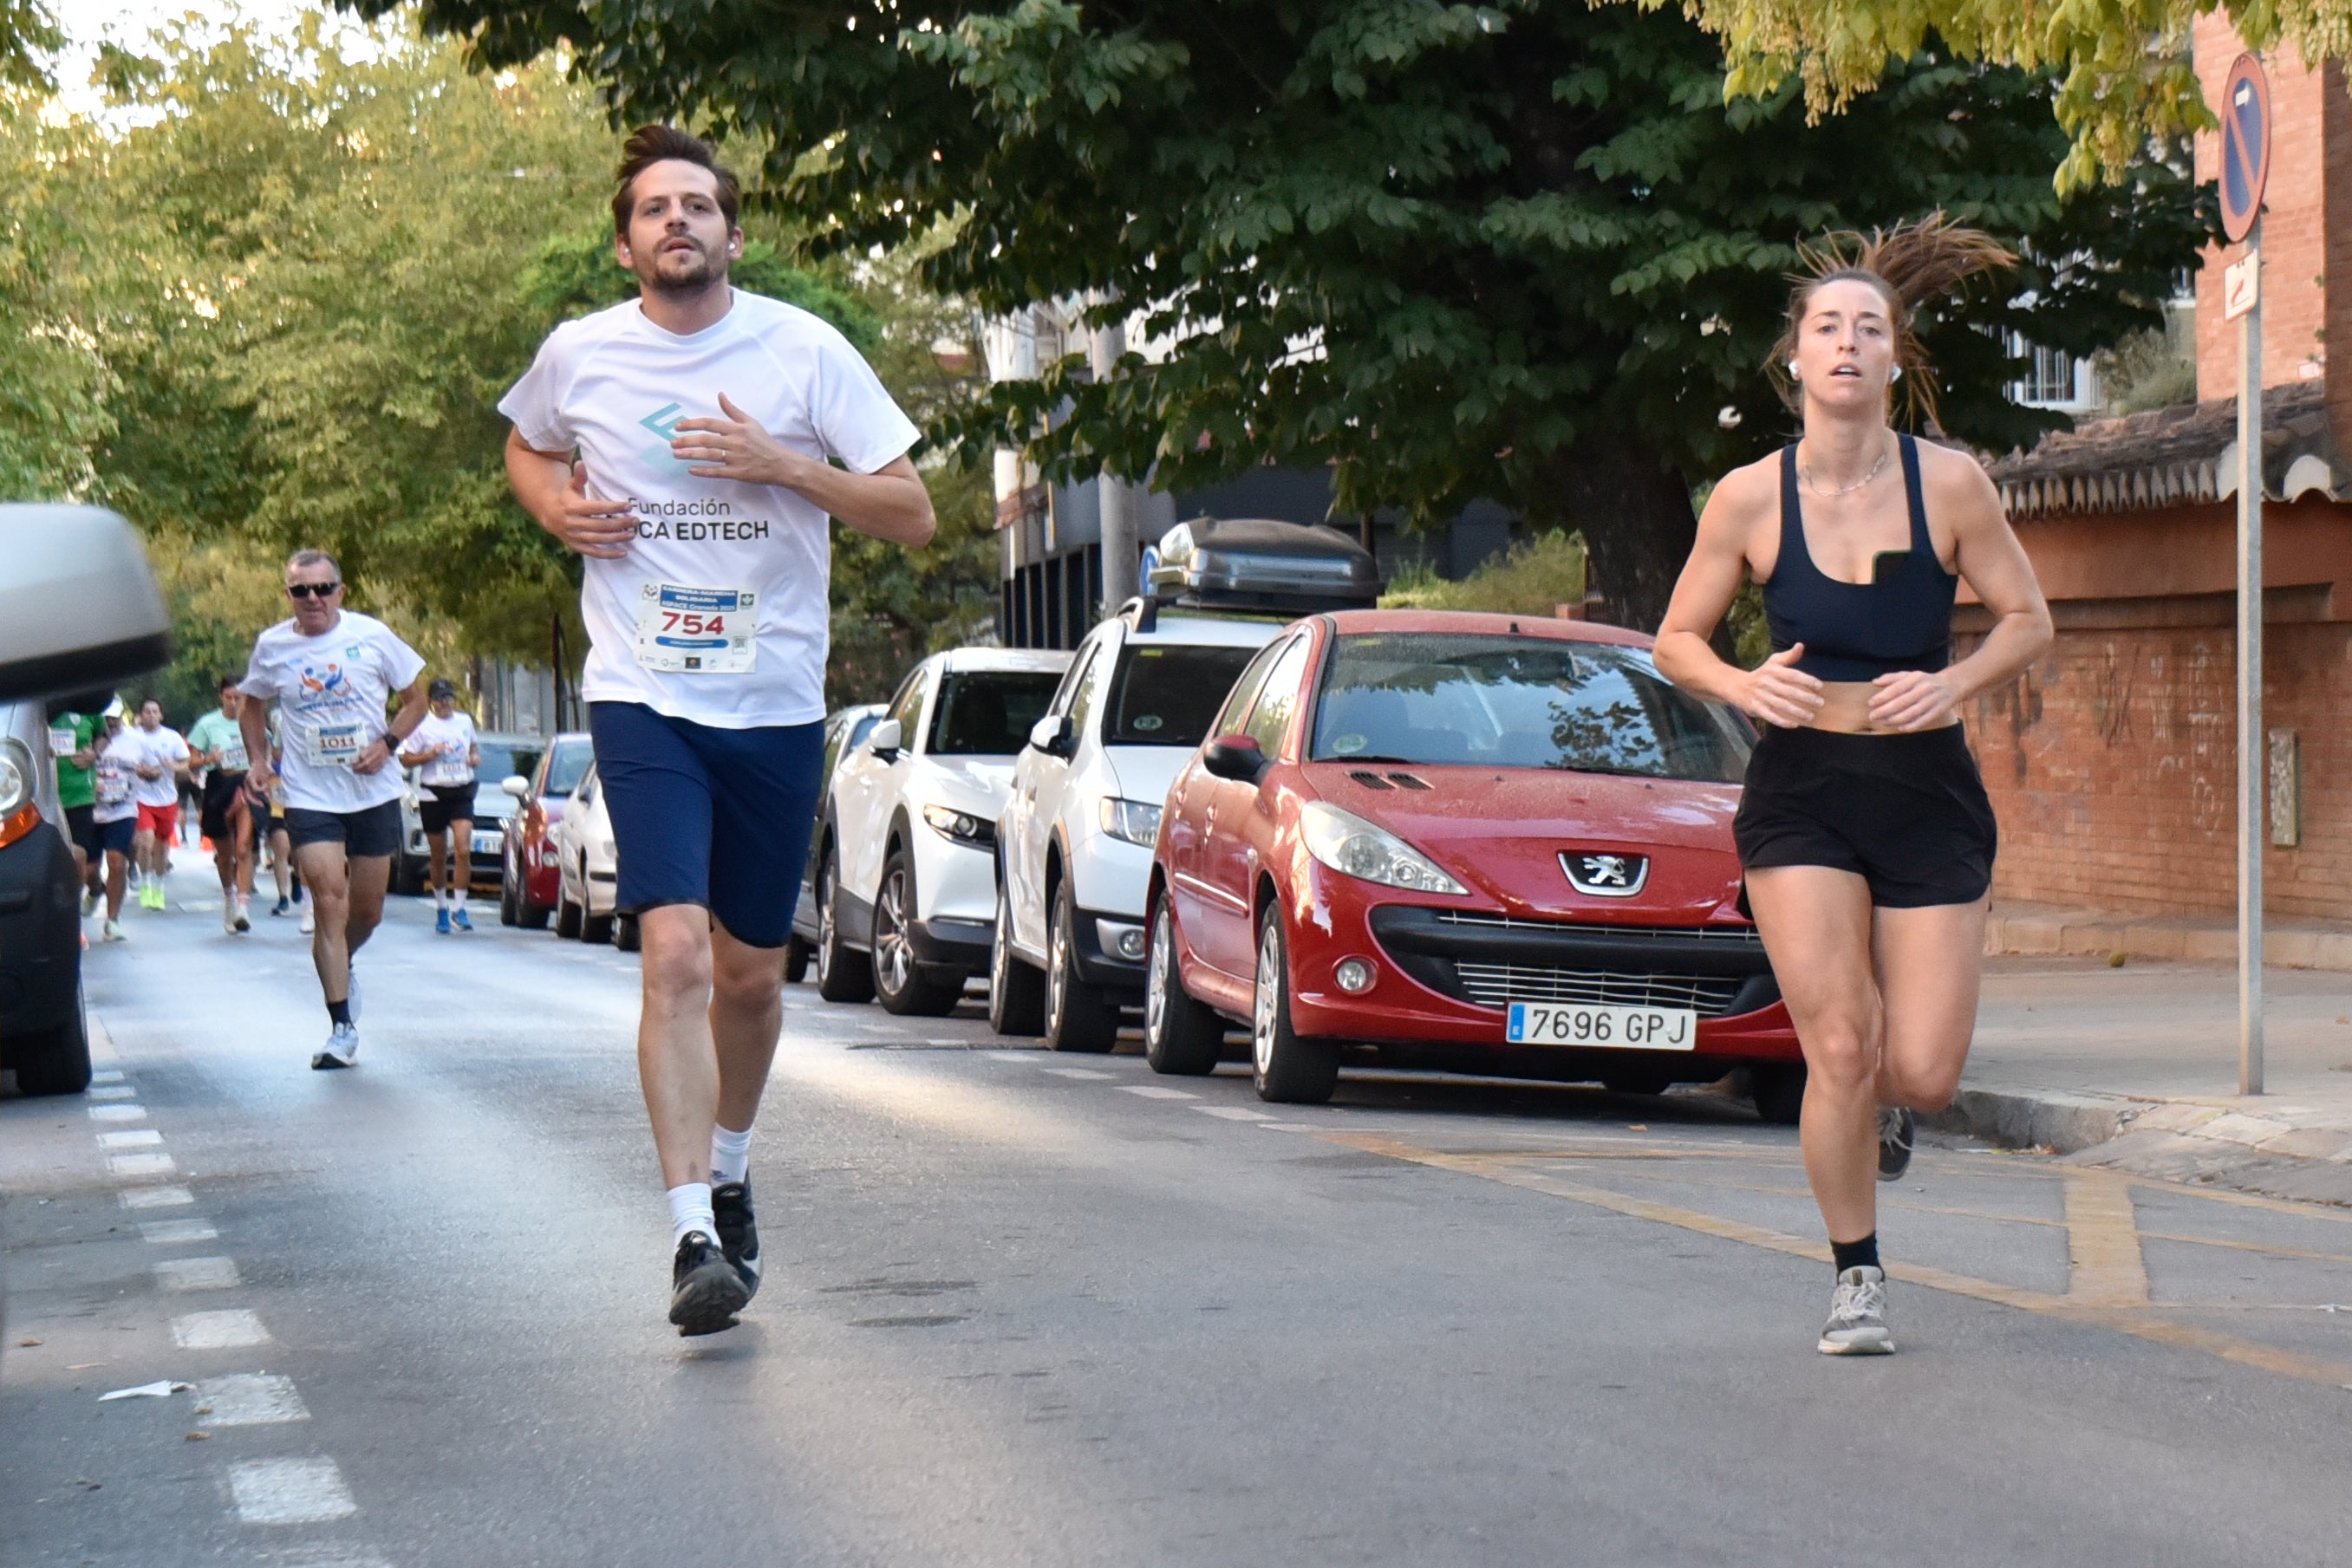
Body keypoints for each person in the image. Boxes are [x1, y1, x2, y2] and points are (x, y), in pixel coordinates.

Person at [499, 125, 935, 1335]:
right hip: (644, 694)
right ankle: (691, 1226)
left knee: (749, 974)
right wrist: (560, 511)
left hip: (775, 702)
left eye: (698, 205)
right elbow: (526, 448)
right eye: (654, 208)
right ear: (627, 240)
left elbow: (911, 511)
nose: (677, 221)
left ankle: (732, 1166)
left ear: (732, 235)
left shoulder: (802, 350)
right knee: (677, 955)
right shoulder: (580, 355)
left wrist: (781, 464)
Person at [1653, 216, 2053, 1357]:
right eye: (1823, 327)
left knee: (1917, 1070)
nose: (1843, 344)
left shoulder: (1952, 486)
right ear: (1795, 359)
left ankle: (1879, 1105)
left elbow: (2030, 621)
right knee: (1837, 1045)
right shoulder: (1747, 497)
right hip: (1801, 795)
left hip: (1925, 791)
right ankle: (1857, 1277)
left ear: (1892, 358)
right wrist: (1742, 684)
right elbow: (1673, 639)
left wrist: (1954, 683)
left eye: (1866, 328)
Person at [237, 550, 428, 1070]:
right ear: (289, 597)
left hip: (373, 790)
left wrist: (387, 744)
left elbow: (417, 699)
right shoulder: (273, 646)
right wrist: (258, 760)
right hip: (308, 793)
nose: (313, 599)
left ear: (341, 592)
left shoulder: (372, 635)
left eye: (323, 589)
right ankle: (341, 1025)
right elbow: (252, 703)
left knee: (367, 911)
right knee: (328, 899)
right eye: (302, 591)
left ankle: (342, 958)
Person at [401, 678, 481, 934]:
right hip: (433, 793)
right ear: (432, 702)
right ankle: (442, 907)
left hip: (461, 790)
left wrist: (474, 756)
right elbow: (406, 759)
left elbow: (473, 745)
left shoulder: (465, 721)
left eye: (449, 698)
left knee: (463, 849)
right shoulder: (423, 726)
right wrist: (429, 755)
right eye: (440, 699)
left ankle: (460, 908)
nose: (445, 703)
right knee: (437, 855)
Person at [187, 676, 256, 934]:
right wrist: (209, 758)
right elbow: (191, 762)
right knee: (225, 854)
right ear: (221, 697)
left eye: (239, 697)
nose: (234, 702)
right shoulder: (208, 724)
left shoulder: (252, 720)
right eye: (229, 697)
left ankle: (243, 908)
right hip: (219, 784)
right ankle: (229, 897)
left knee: (244, 848)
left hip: (245, 782)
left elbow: (266, 749)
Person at [127, 698, 191, 911]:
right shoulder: (132, 736)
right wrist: (139, 770)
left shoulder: (171, 737)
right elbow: (124, 762)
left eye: (155, 711)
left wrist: (173, 765)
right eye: (147, 711)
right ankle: (145, 884)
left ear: (161, 715)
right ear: (141, 715)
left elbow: (186, 762)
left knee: (162, 848)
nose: (151, 715)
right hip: (141, 798)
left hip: (166, 799)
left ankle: (159, 889)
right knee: (145, 841)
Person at [48, 702, 104, 919]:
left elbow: (102, 736)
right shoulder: (40, 702)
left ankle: (72, 916)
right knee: (52, 858)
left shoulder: (87, 705)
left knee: (78, 856)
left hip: (80, 795)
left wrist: (94, 753)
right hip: (45, 793)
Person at [89, 708, 140, 942]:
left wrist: (152, 773)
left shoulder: (134, 740)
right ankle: (95, 889)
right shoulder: (86, 736)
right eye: (106, 719)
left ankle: (112, 920)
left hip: (123, 811)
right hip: (89, 810)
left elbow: (155, 768)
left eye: (115, 718)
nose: (111, 723)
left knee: (117, 864)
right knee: (88, 869)